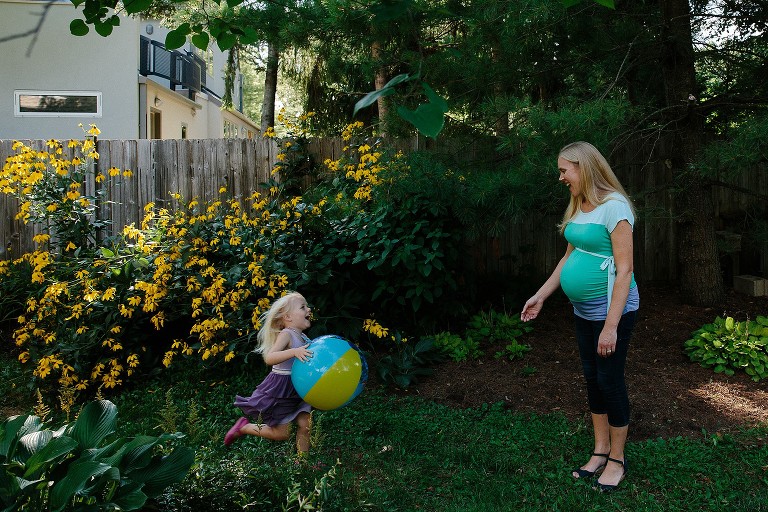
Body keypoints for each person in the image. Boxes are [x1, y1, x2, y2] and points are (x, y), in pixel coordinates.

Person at [521, 141, 639, 492]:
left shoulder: (615, 208)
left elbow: (625, 270)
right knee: (592, 377)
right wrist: (540, 296)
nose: (561, 178)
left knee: (610, 380)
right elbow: (568, 258)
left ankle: (617, 459)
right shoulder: (578, 203)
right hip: (583, 311)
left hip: (611, 313)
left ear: (583, 168)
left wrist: (611, 327)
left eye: (564, 170)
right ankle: (600, 449)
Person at [224, 291, 314, 453]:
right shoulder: (286, 335)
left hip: (300, 388)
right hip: (283, 389)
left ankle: (304, 464)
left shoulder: (305, 338)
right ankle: (244, 427)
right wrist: (294, 352)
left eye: (307, 306)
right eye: (303, 307)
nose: (308, 309)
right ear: (288, 317)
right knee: (281, 434)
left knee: (305, 425)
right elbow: (270, 357)